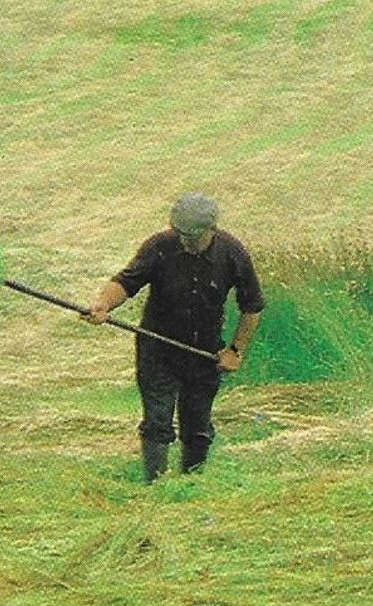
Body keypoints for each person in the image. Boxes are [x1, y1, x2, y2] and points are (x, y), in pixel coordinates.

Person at [84, 193, 265, 482]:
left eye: (193, 236)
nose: (185, 241)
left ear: (212, 229)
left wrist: (235, 350)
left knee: (197, 425)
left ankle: (191, 482)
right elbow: (126, 282)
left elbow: (252, 306)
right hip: (157, 349)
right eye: (181, 234)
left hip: (205, 353)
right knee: (157, 420)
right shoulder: (159, 246)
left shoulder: (232, 254)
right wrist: (103, 305)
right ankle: (153, 484)